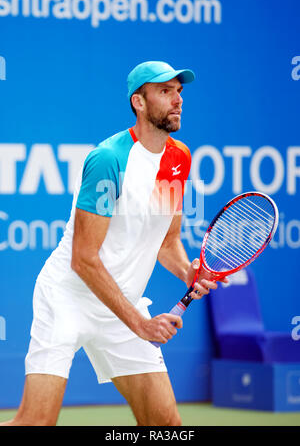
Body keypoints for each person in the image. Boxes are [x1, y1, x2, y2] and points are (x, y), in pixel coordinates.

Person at [1, 61, 223, 427]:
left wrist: (188, 271)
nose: (177, 100)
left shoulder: (178, 158)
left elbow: (167, 241)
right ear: (139, 102)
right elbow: (83, 259)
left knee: (166, 427)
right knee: (35, 422)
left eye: (179, 92)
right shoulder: (108, 160)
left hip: (124, 307)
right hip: (67, 299)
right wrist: (140, 324)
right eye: (165, 92)